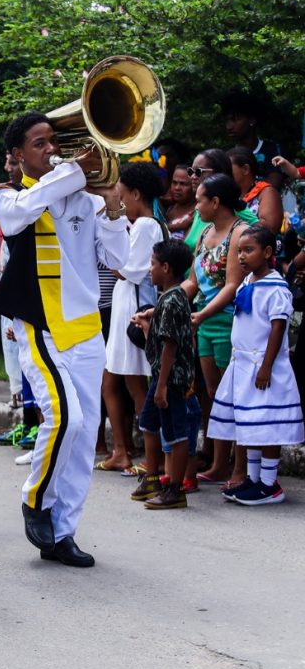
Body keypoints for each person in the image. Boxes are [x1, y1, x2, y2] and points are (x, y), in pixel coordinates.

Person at [0, 112, 130, 568]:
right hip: (40, 326)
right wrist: (74, 172)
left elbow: (122, 261)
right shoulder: (5, 195)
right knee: (64, 417)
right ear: (16, 155)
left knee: (87, 434)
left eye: (54, 142)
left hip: (86, 328)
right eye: (39, 144)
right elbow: (15, 220)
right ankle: (36, 500)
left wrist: (111, 208)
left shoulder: (85, 200)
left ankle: (63, 532)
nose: (51, 150)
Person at [207, 225, 304, 504]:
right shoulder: (248, 282)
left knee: (267, 425)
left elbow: (277, 328)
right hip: (244, 365)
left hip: (264, 367)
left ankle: (269, 484)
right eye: (239, 250)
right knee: (250, 424)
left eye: (248, 250)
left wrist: (266, 366)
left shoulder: (276, 288)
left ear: (268, 252)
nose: (241, 256)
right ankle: (252, 479)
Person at [185, 174, 252, 486]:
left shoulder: (240, 232)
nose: (196, 206)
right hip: (204, 323)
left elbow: (232, 286)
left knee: (233, 397)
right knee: (214, 396)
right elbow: (193, 282)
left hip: (226, 322)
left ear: (216, 202)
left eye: (200, 199)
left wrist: (201, 314)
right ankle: (218, 463)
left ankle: (240, 468)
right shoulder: (205, 233)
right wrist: (169, 304)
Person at [99, 162, 166, 474]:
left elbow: (128, 269)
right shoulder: (141, 225)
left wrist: (112, 252)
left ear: (136, 194)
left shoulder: (145, 227)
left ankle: (149, 457)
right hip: (125, 304)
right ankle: (123, 451)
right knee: (117, 381)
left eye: (121, 193)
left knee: (134, 384)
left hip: (132, 308)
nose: (117, 198)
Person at [132, 239, 198, 509]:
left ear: (167, 268)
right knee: (148, 422)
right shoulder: (168, 298)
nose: (150, 270)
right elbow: (160, 342)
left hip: (169, 380)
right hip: (161, 375)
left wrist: (161, 387)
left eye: (153, 264)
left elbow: (170, 346)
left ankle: (175, 489)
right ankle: (152, 477)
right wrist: (148, 325)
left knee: (175, 433)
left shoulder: (172, 301)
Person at [222, 92, 284, 191]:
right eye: (227, 120)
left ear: (252, 120)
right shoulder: (227, 157)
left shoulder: (271, 149)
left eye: (235, 119)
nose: (229, 126)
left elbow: (275, 182)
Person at [228, 146, 284, 235]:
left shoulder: (266, 192)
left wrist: (240, 211)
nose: (224, 173)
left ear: (245, 169)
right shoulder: (228, 195)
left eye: (228, 169)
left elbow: (270, 229)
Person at [164, 163, 196, 241]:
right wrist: (179, 226)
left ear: (194, 185)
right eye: (174, 183)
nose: (177, 188)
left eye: (183, 184)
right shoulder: (168, 208)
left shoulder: (196, 212)